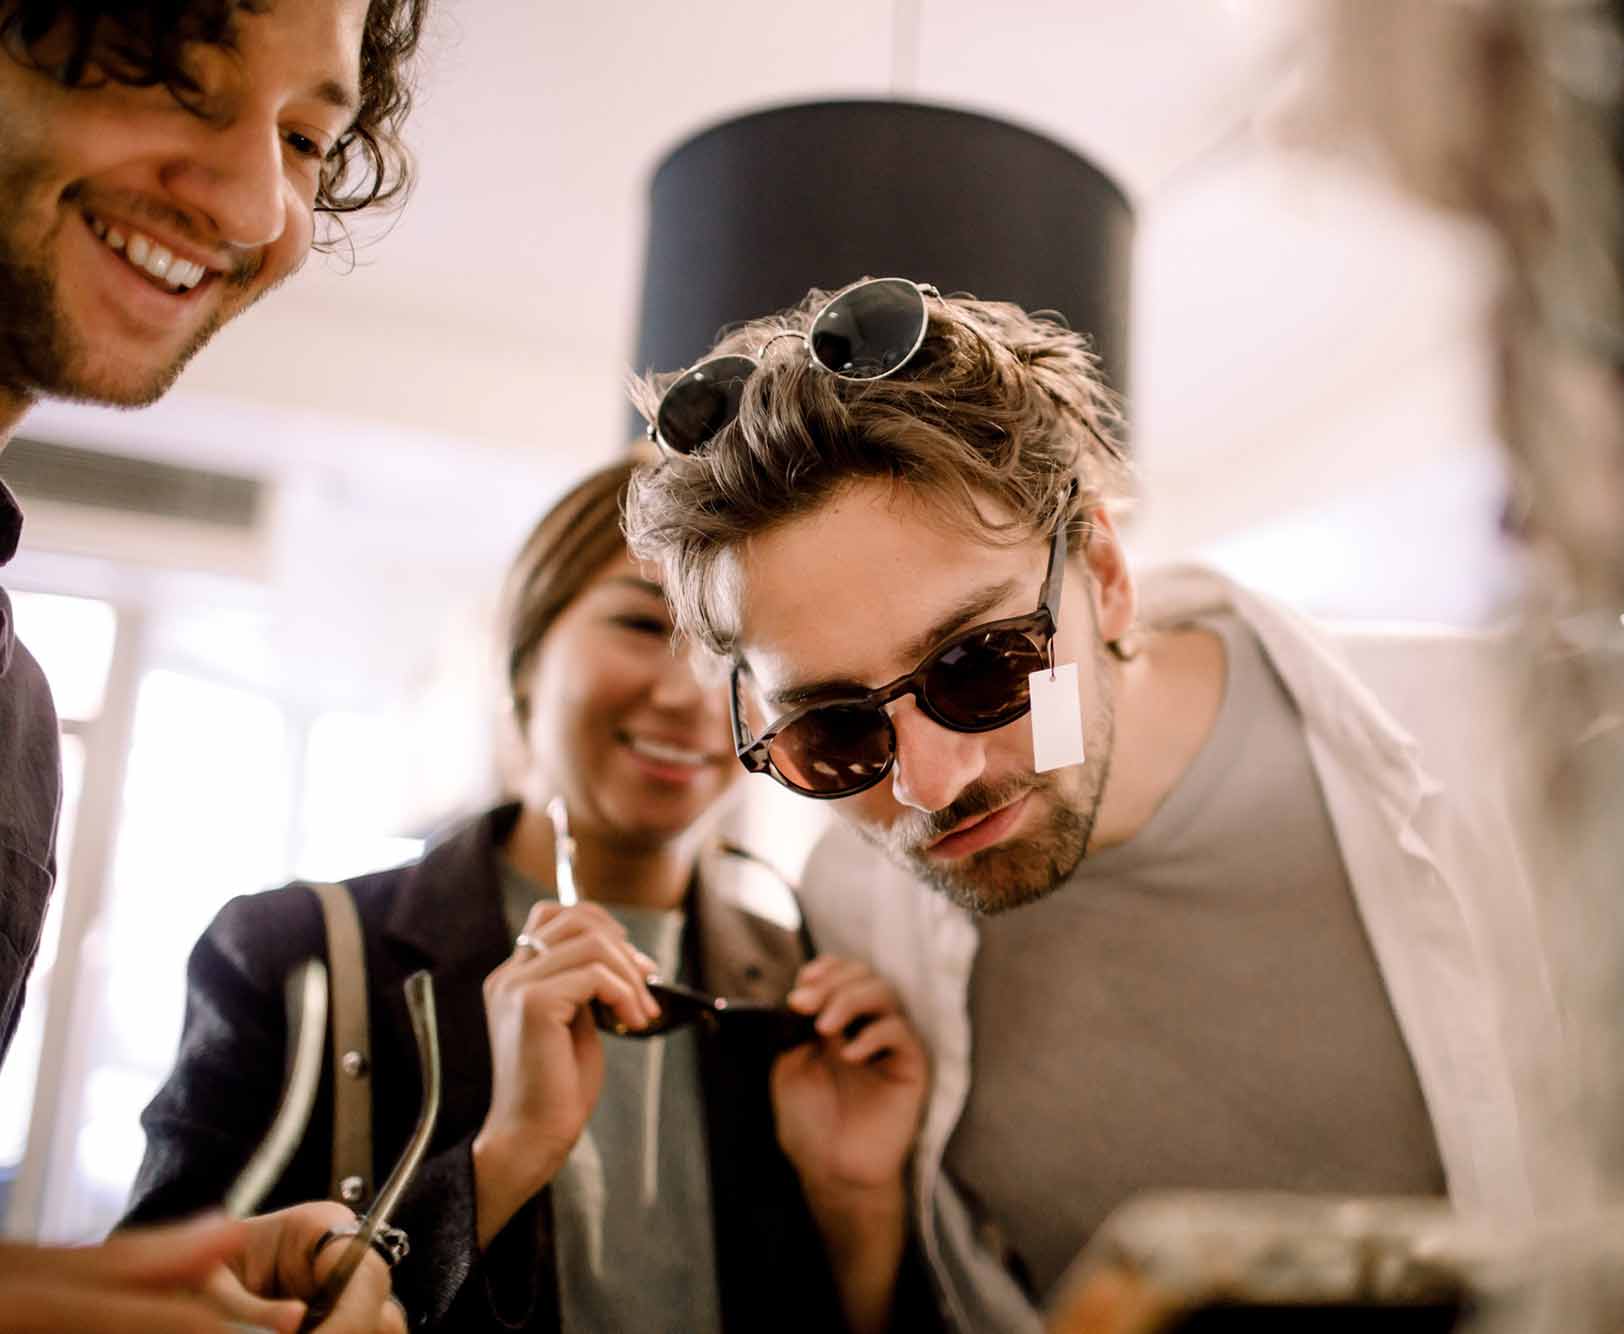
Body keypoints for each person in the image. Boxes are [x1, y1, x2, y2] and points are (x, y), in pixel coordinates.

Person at [623, 277, 1565, 1330]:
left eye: (981, 666)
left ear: (1106, 575)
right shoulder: (853, 904)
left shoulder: (1507, 738)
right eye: (834, 730)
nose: (931, 784)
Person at [126, 457, 940, 1333]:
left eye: (738, 657)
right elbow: (142, 1311)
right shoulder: (295, 953)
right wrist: (503, 1157)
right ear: (524, 659)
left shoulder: (799, 980)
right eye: (640, 623)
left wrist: (858, 1207)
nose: (691, 698)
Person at [0, 2, 425, 1328]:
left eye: (306, 137)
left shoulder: (16, 700)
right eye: (166, 69)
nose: (254, 203)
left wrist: (94, 1294)